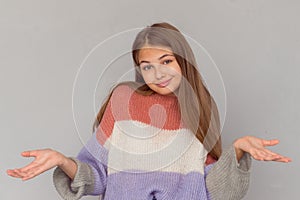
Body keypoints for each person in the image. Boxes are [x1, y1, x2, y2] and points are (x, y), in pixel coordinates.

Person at [7, 22, 291, 200]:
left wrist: (238, 151)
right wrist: (61, 160)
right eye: (147, 66)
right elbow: (96, 173)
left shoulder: (200, 108)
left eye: (166, 61)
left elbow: (209, 190)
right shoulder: (124, 100)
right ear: (139, 70)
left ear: (182, 61)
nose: (158, 73)